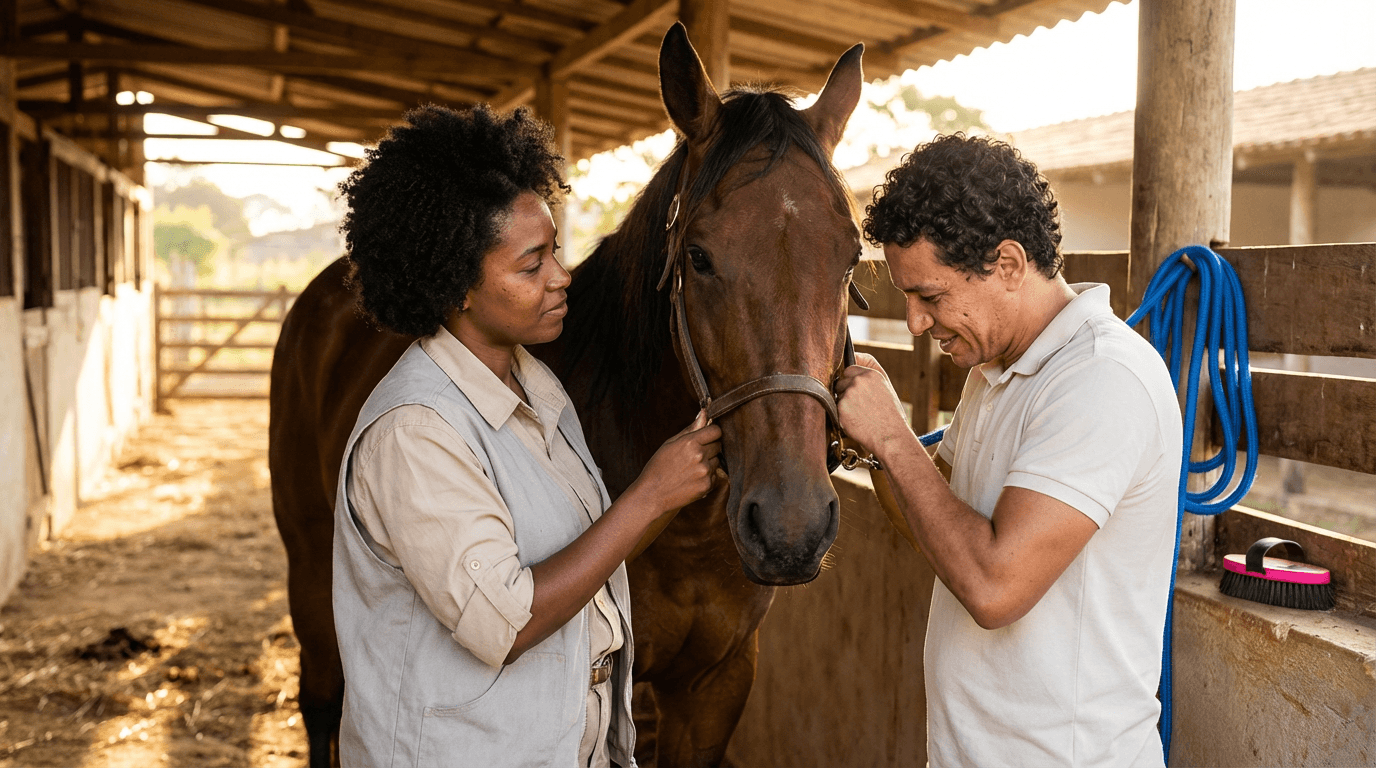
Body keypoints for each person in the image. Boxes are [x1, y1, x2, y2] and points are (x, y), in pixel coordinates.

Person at [332, 104, 722, 767]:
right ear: (455, 284)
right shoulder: (415, 432)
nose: (561, 278)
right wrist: (652, 495)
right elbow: (505, 623)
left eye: (557, 253)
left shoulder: (535, 389)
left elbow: (582, 548)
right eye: (530, 265)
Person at [835, 133, 1183, 767]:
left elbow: (993, 587)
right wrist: (864, 442)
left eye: (930, 297)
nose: (914, 323)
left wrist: (890, 434)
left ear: (1009, 264)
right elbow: (933, 520)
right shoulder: (996, 371)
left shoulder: (1102, 379)